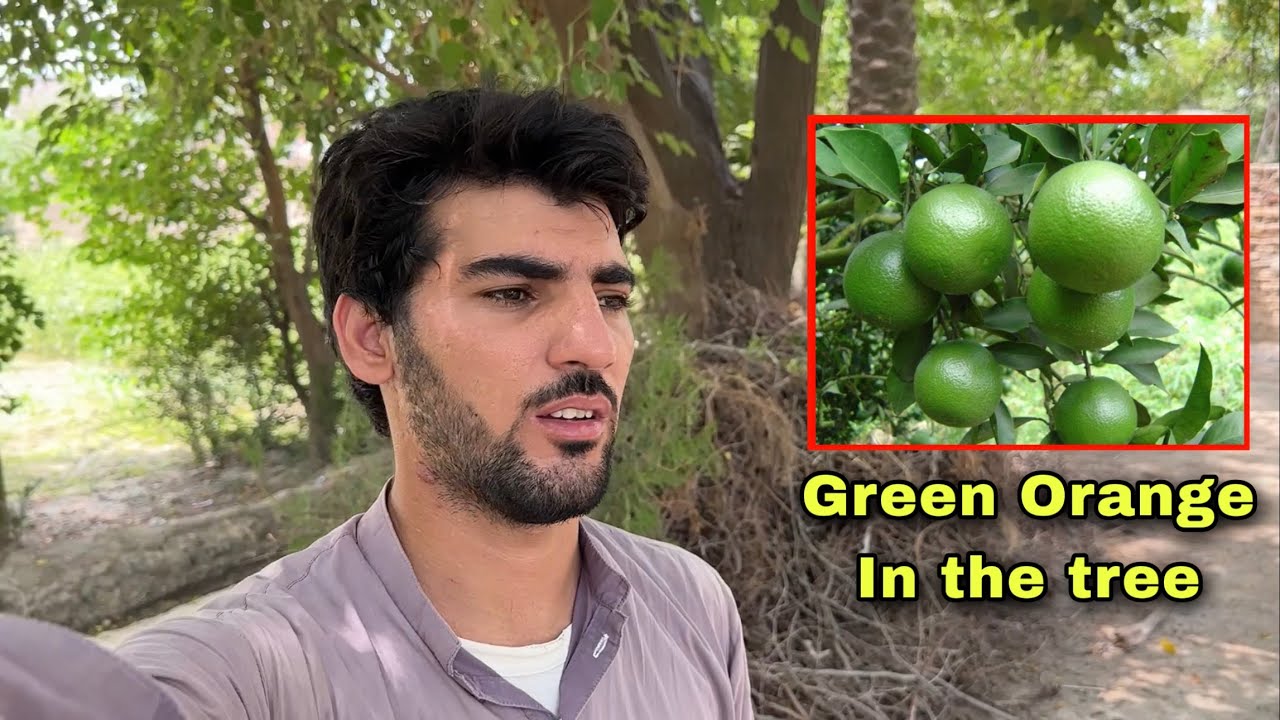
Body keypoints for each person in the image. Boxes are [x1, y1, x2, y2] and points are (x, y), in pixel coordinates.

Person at [0, 87, 753, 719]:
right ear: (370, 338)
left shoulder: (689, 604)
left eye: (613, 296)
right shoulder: (255, 673)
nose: (593, 343)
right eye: (514, 293)